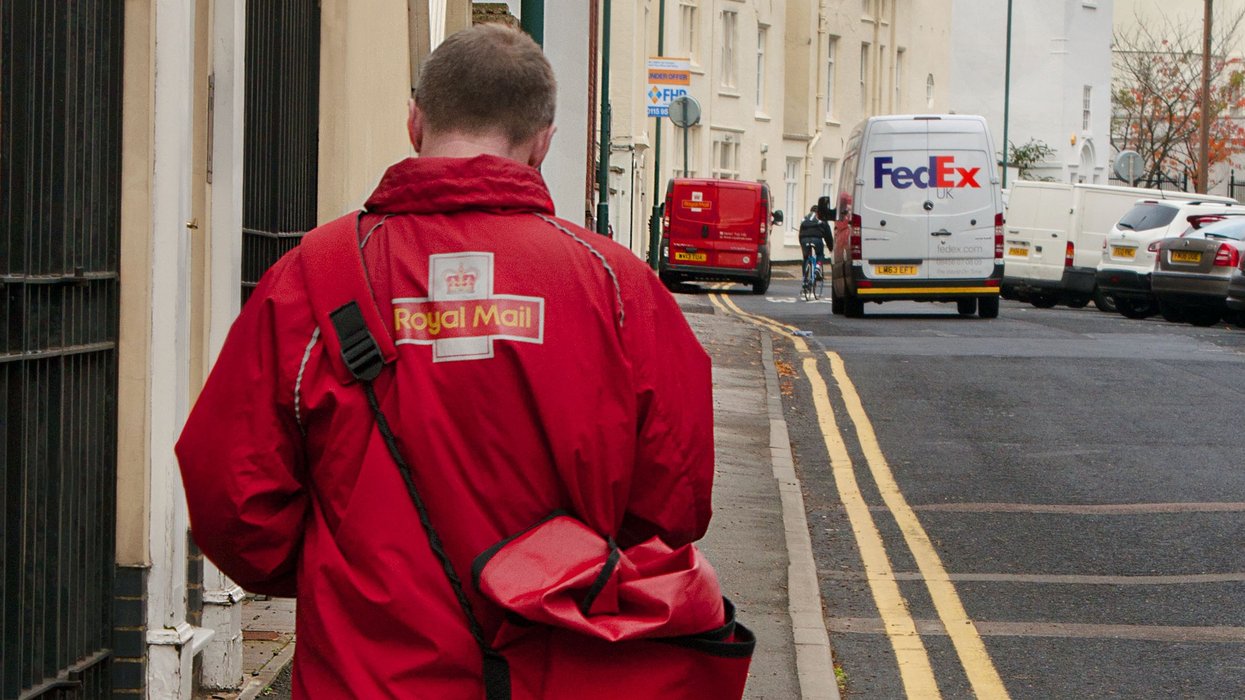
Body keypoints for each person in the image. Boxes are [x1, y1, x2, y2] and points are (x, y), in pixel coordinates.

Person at [177, 23, 720, 698]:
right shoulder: (616, 288)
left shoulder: (309, 280)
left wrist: (339, 572)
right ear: (543, 141)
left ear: (415, 121)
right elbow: (675, 503)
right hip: (556, 668)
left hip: (363, 677)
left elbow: (231, 498)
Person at [798, 205, 833, 277]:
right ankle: (817, 267)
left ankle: (805, 277)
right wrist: (831, 248)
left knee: (806, 257)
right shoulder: (822, 218)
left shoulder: (805, 218)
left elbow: (800, 234)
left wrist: (802, 244)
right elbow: (828, 235)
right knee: (820, 254)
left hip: (804, 239)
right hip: (816, 239)